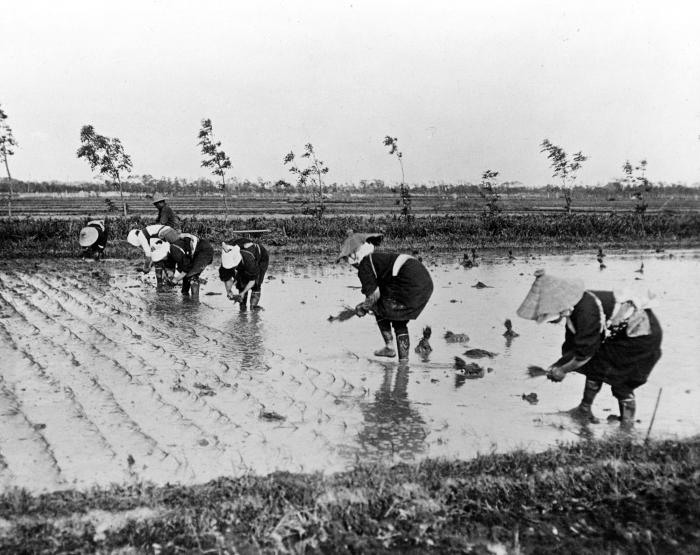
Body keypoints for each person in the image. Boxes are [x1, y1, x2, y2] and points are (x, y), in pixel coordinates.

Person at [517, 269, 663, 429]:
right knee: (597, 363)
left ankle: (626, 425)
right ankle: (585, 410)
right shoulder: (576, 309)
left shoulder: (586, 312)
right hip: (622, 335)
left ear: (559, 305)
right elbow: (574, 346)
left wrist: (563, 370)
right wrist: (557, 365)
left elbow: (585, 353)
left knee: (621, 380)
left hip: (640, 337)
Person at [337, 232, 433, 363]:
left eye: (347, 258)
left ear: (354, 254)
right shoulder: (377, 259)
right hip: (424, 283)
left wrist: (363, 308)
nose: (349, 263)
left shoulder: (365, 265)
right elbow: (379, 292)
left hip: (409, 282)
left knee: (377, 307)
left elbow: (374, 295)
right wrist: (367, 304)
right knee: (398, 318)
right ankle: (403, 362)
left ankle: (389, 346)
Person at [150, 232, 213, 300]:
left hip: (203, 250)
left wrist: (176, 279)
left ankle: (195, 301)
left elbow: (187, 268)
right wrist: (169, 277)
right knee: (185, 281)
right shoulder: (169, 253)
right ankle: (185, 295)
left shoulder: (176, 251)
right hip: (190, 254)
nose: (161, 260)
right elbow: (169, 267)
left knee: (192, 275)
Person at [219, 238, 269, 310]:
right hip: (242, 258)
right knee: (241, 283)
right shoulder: (226, 260)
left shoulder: (249, 260)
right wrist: (228, 291)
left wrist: (243, 292)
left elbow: (252, 280)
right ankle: (242, 309)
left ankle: (253, 308)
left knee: (256, 284)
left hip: (260, 259)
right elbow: (226, 277)